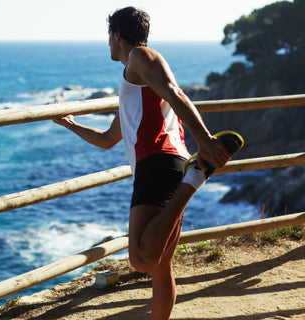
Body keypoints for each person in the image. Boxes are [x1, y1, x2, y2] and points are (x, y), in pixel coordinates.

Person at [53, 6, 243, 320]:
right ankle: (194, 175)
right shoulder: (134, 80)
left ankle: (197, 177)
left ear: (117, 35)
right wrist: (72, 125)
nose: (108, 45)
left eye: (109, 37)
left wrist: (206, 141)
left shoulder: (142, 57)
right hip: (170, 162)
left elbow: (175, 92)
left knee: (140, 259)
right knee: (160, 266)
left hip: (157, 161)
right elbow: (108, 138)